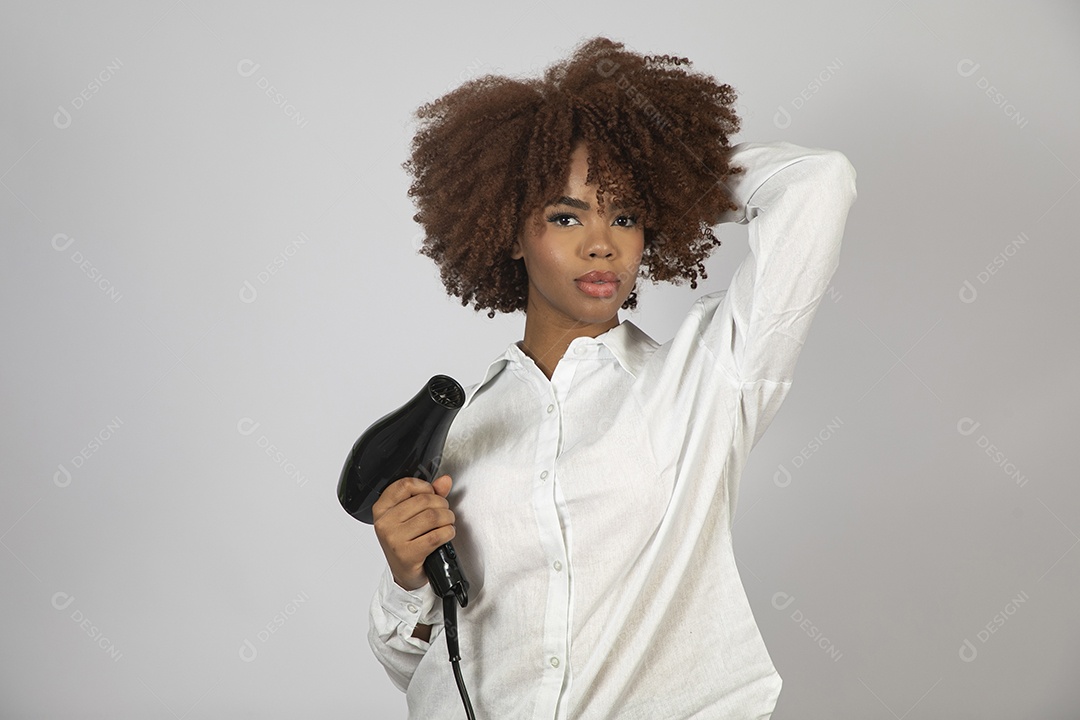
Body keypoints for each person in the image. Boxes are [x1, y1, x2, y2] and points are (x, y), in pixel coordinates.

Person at [365, 36, 857, 719]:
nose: (602, 243)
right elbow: (419, 667)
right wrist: (405, 578)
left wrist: (674, 186)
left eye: (624, 216)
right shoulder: (459, 430)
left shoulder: (710, 378)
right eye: (566, 215)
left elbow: (818, 183)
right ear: (512, 231)